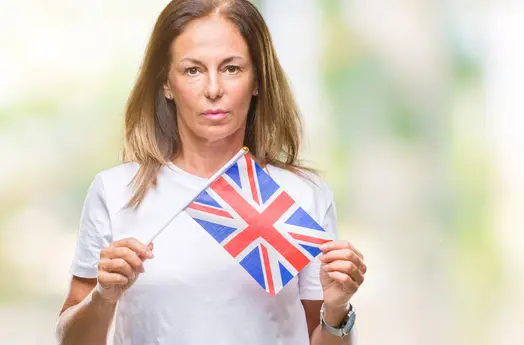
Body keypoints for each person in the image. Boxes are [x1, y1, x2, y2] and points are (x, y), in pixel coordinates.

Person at [55, 1, 367, 344]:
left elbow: (319, 336)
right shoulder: (115, 191)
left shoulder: (302, 195)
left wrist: (337, 308)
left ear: (257, 81)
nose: (214, 89)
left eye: (232, 68)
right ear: (166, 84)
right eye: (193, 70)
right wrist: (104, 295)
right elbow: (70, 340)